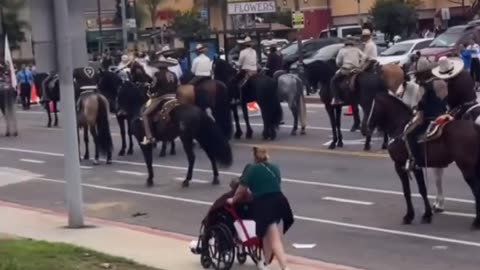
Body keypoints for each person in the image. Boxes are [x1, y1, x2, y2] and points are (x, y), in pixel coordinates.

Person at [227, 147, 293, 270]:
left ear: (254, 156)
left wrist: (233, 200)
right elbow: (277, 183)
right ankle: (265, 263)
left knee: (273, 237)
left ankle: (284, 267)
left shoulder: (251, 169)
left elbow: (241, 190)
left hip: (264, 203)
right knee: (267, 234)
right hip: (279, 201)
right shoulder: (275, 167)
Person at [404, 57, 447, 170]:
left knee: (410, 134)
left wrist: (416, 109)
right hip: (446, 115)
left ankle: (417, 161)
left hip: (431, 118)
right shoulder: (441, 81)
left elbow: (420, 105)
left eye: (418, 74)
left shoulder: (423, 87)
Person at [141, 58, 178, 145]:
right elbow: (177, 85)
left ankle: (149, 137)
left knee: (145, 114)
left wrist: (150, 91)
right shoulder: (173, 74)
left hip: (162, 97)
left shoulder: (157, 74)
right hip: (174, 97)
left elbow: (153, 87)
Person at [330, 36, 366, 105]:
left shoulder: (342, 50)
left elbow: (338, 62)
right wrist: (360, 64)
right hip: (357, 70)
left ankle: (337, 99)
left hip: (346, 70)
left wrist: (341, 65)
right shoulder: (357, 49)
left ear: (345, 43)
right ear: (353, 43)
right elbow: (364, 57)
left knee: (333, 81)